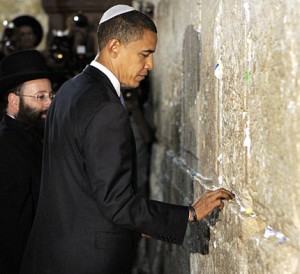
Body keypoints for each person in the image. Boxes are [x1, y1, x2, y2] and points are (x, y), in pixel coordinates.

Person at [20, 5, 235, 274]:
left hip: (57, 252)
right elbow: (117, 202)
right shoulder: (106, 108)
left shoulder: (70, 90)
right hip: (88, 261)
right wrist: (189, 214)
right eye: (145, 54)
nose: (150, 65)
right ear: (114, 47)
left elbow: (80, 181)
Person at [0, 50, 56, 273]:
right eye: (40, 97)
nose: (49, 104)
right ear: (14, 101)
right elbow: (10, 229)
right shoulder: (6, 147)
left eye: (51, 96)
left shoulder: (34, 135)